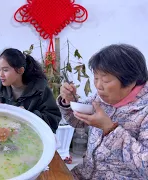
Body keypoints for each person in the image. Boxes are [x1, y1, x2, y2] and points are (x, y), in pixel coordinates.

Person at [58, 44, 148, 179]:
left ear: (130, 81)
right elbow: (79, 122)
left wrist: (109, 129)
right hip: (85, 172)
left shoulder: (144, 110)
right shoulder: (101, 97)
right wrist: (68, 101)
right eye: (96, 78)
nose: (98, 86)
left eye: (105, 80)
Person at [0, 48, 61, 133]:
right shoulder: (1, 87)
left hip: (32, 136)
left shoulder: (40, 89)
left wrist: (27, 115)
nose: (0, 74)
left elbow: (53, 120)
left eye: (5, 70)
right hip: (8, 135)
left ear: (20, 70)